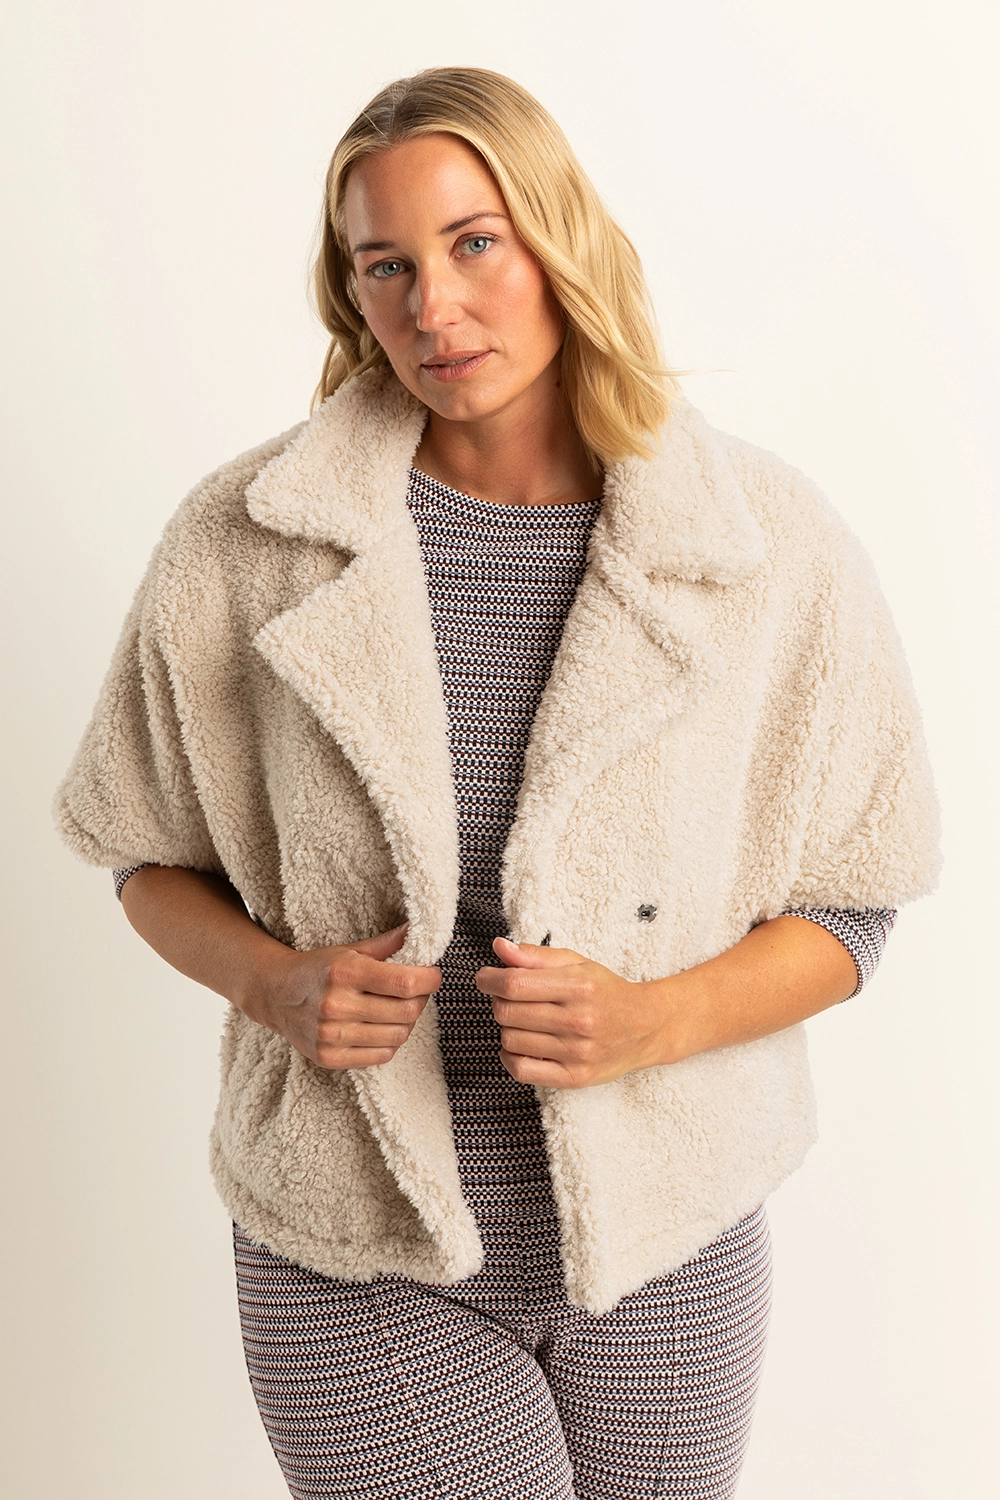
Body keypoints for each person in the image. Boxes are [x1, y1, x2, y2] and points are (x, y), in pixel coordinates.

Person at [56, 67, 939, 1500]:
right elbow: (141, 850)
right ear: (351, 292)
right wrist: (276, 984)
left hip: (667, 1231)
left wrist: (650, 1021)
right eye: (386, 265)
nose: (435, 307)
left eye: (476, 242)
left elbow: (854, 905)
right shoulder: (243, 540)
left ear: (559, 238)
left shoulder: (764, 545)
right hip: (354, 1230)